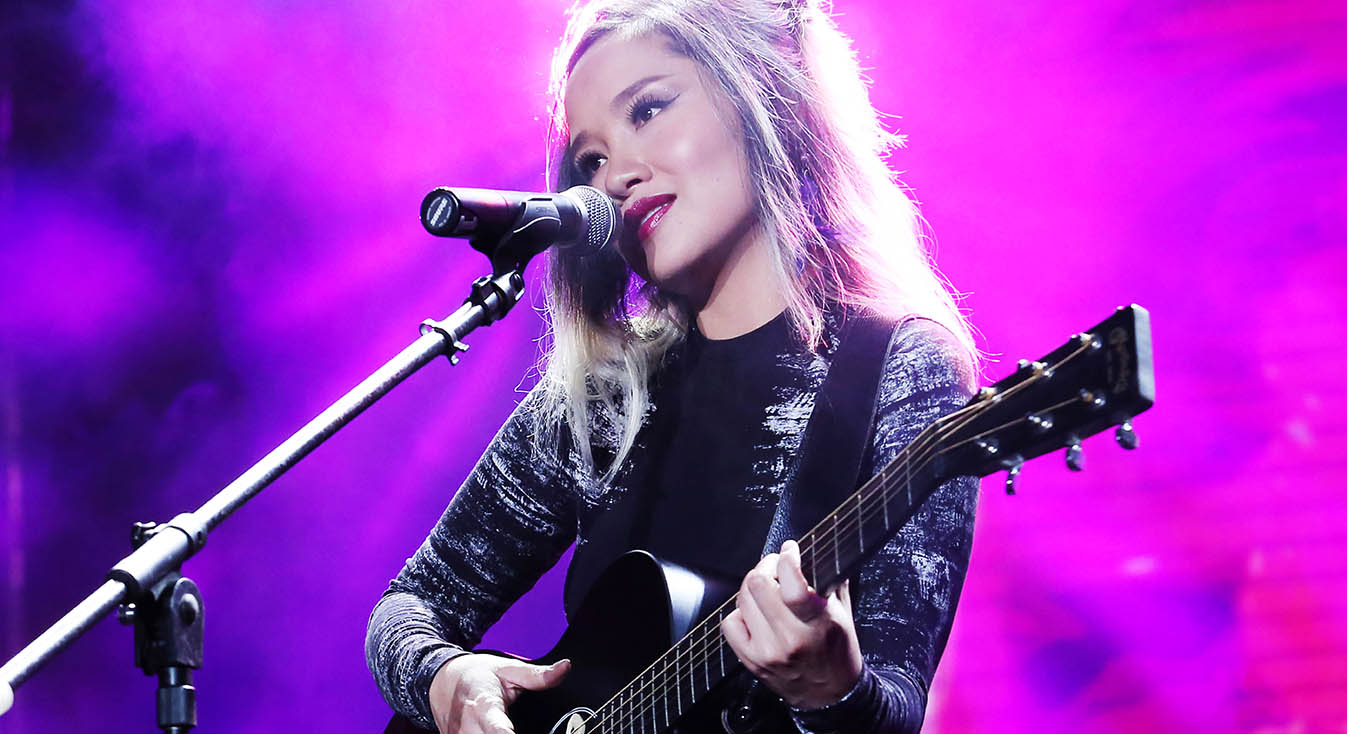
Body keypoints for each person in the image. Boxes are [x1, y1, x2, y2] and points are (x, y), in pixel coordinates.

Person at [366, 0, 981, 731]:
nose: (616, 173)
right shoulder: (604, 396)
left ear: (762, 88)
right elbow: (411, 606)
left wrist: (829, 687)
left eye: (649, 109)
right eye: (588, 159)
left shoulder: (901, 368)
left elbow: (896, 705)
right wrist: (447, 677)